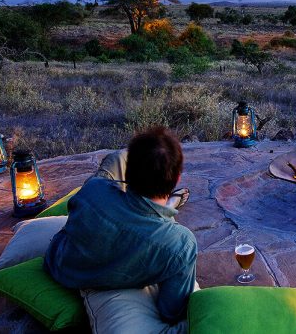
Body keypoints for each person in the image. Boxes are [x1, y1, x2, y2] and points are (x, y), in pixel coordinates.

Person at [45, 126, 196, 323]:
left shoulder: (94, 188)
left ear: (128, 172)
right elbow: (171, 310)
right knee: (122, 159)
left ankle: (162, 198)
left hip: (60, 266)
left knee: (116, 158)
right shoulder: (180, 244)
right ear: (177, 178)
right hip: (95, 272)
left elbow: (74, 216)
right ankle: (168, 204)